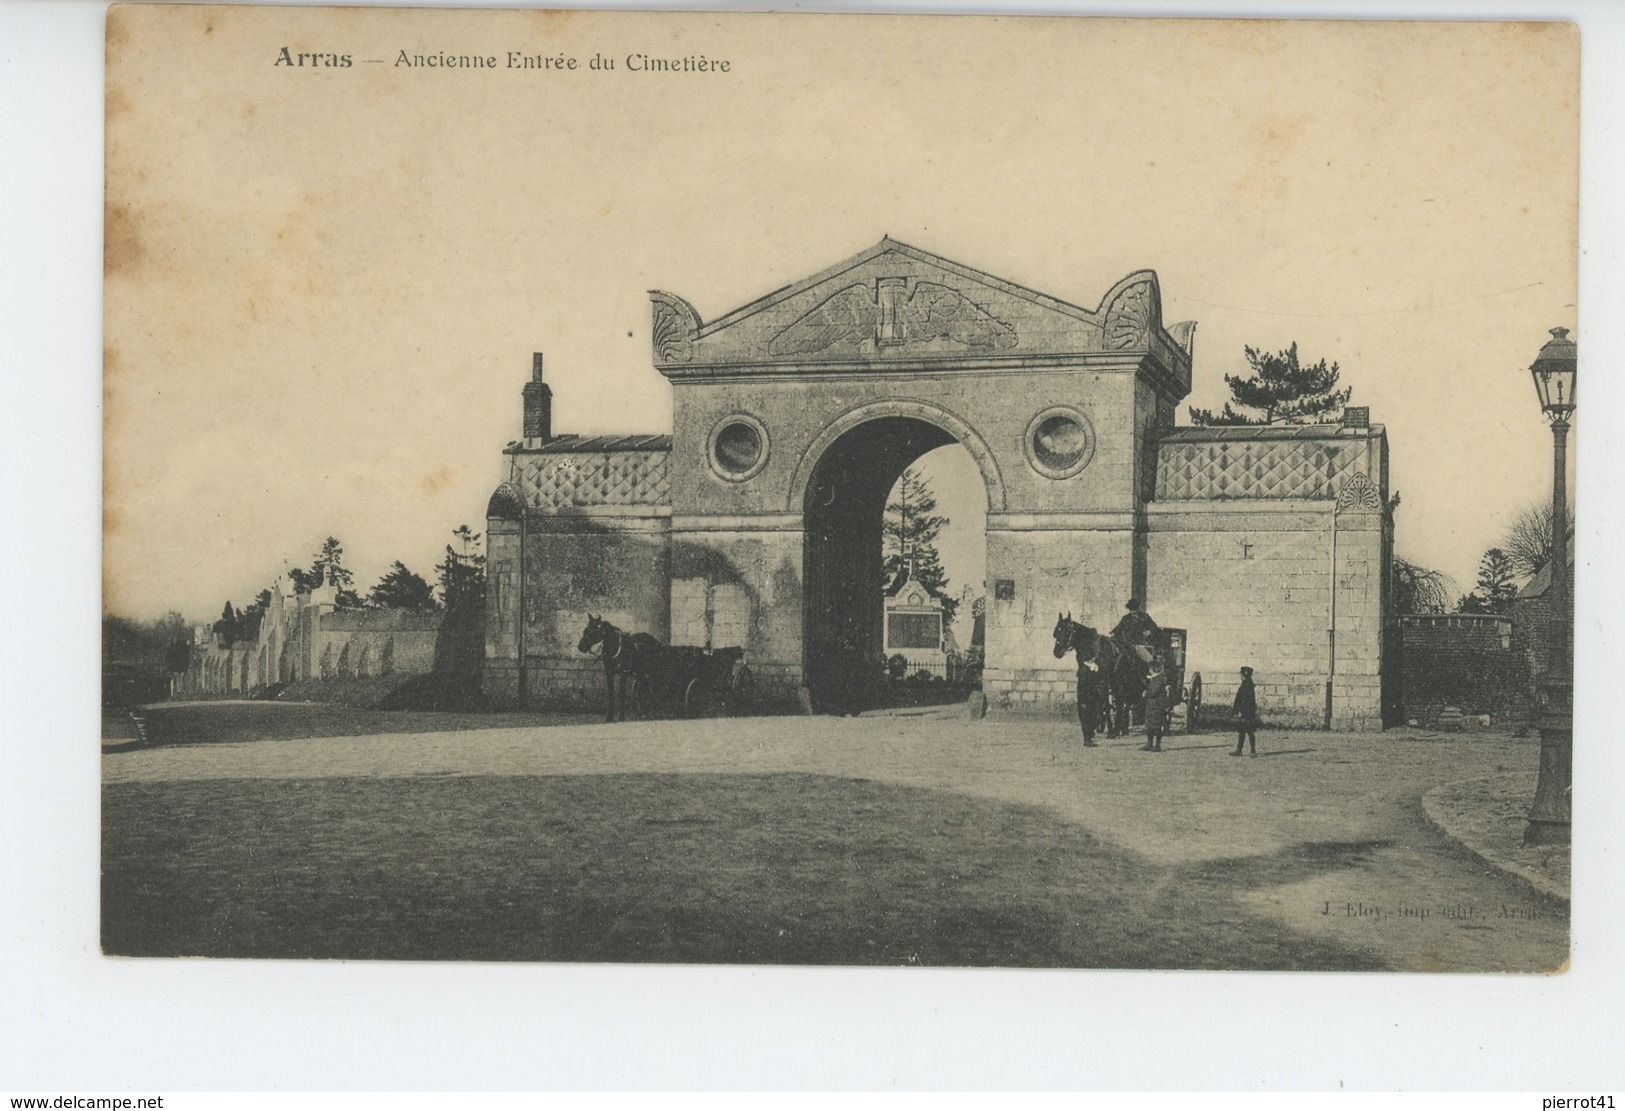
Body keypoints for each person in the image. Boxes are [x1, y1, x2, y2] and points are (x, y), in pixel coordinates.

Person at [1140, 654, 1172, 752]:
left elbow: (1155, 691)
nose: (1149, 670)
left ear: (1155, 669)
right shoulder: (1153, 678)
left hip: (1157, 706)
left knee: (1157, 726)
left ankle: (1157, 745)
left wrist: (1146, 693)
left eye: (1151, 669)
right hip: (1151, 706)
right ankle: (1149, 743)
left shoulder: (1159, 679)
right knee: (1149, 726)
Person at [1231, 666, 1259, 757]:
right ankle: (1239, 750)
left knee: (1249, 731)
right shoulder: (1247, 684)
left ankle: (1253, 751)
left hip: (1247, 712)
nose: (1240, 676)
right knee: (1242, 731)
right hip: (1247, 711)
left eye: (1241, 674)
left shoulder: (1247, 686)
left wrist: (1241, 712)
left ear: (1244, 675)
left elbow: (1244, 701)